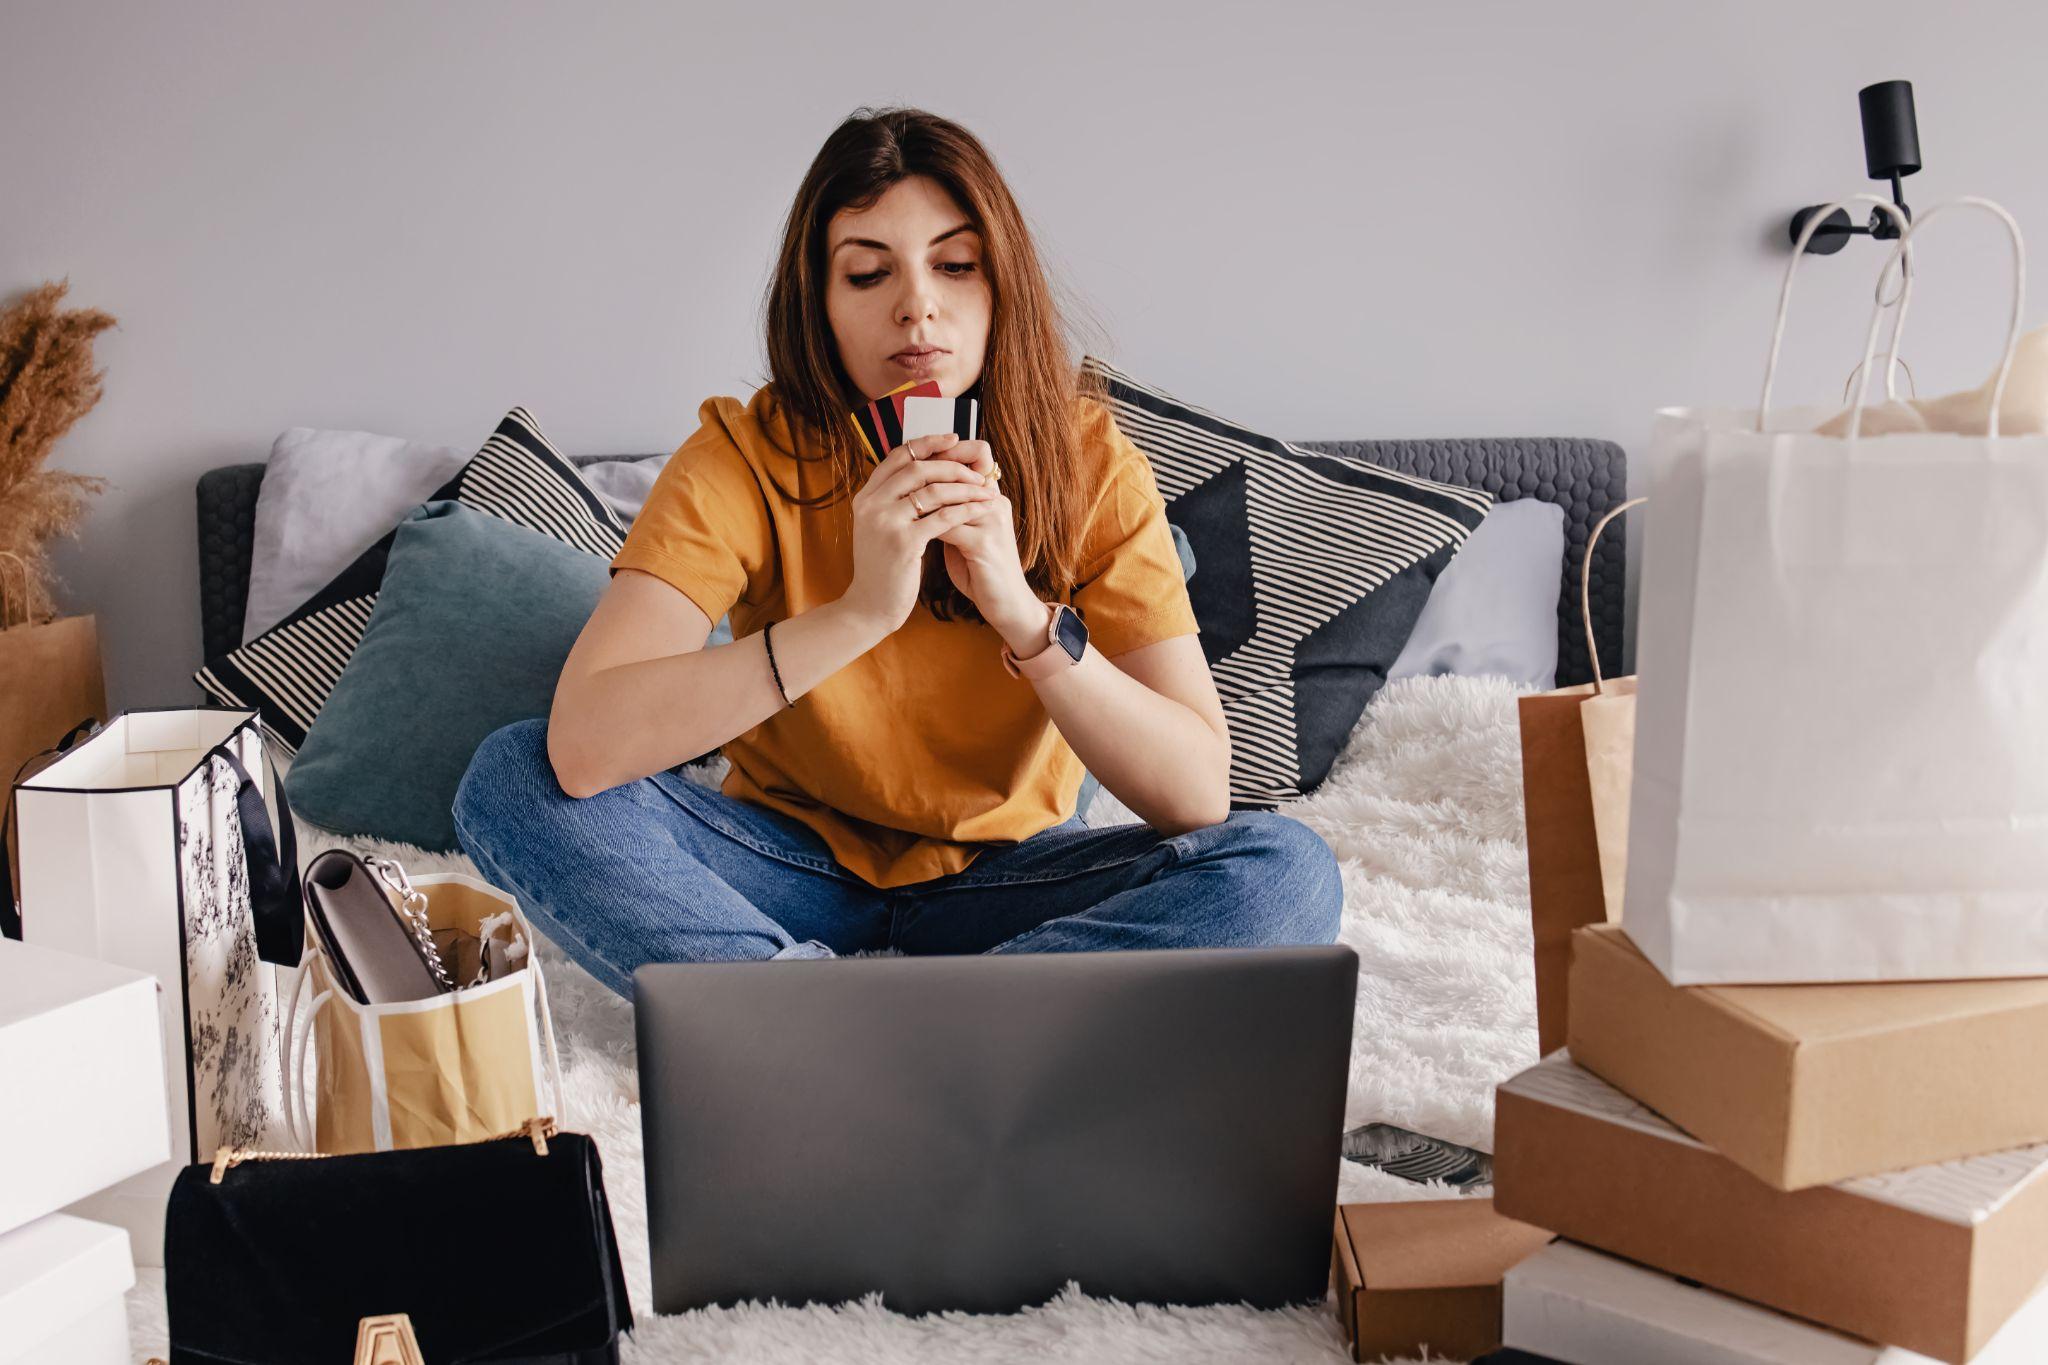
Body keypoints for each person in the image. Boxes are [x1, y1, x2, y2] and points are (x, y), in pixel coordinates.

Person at [452, 106, 1342, 997]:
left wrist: (1024, 615)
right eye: (868, 273)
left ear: (1002, 290)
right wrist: (860, 614)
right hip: (779, 862)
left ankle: (886, 1035)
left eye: (955, 266)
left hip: (1013, 875)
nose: (916, 305)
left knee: (1286, 867)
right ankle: (837, 1021)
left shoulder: (1091, 465)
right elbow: (583, 745)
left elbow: (1196, 792)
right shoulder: (743, 456)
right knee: (513, 774)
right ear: (822, 306)